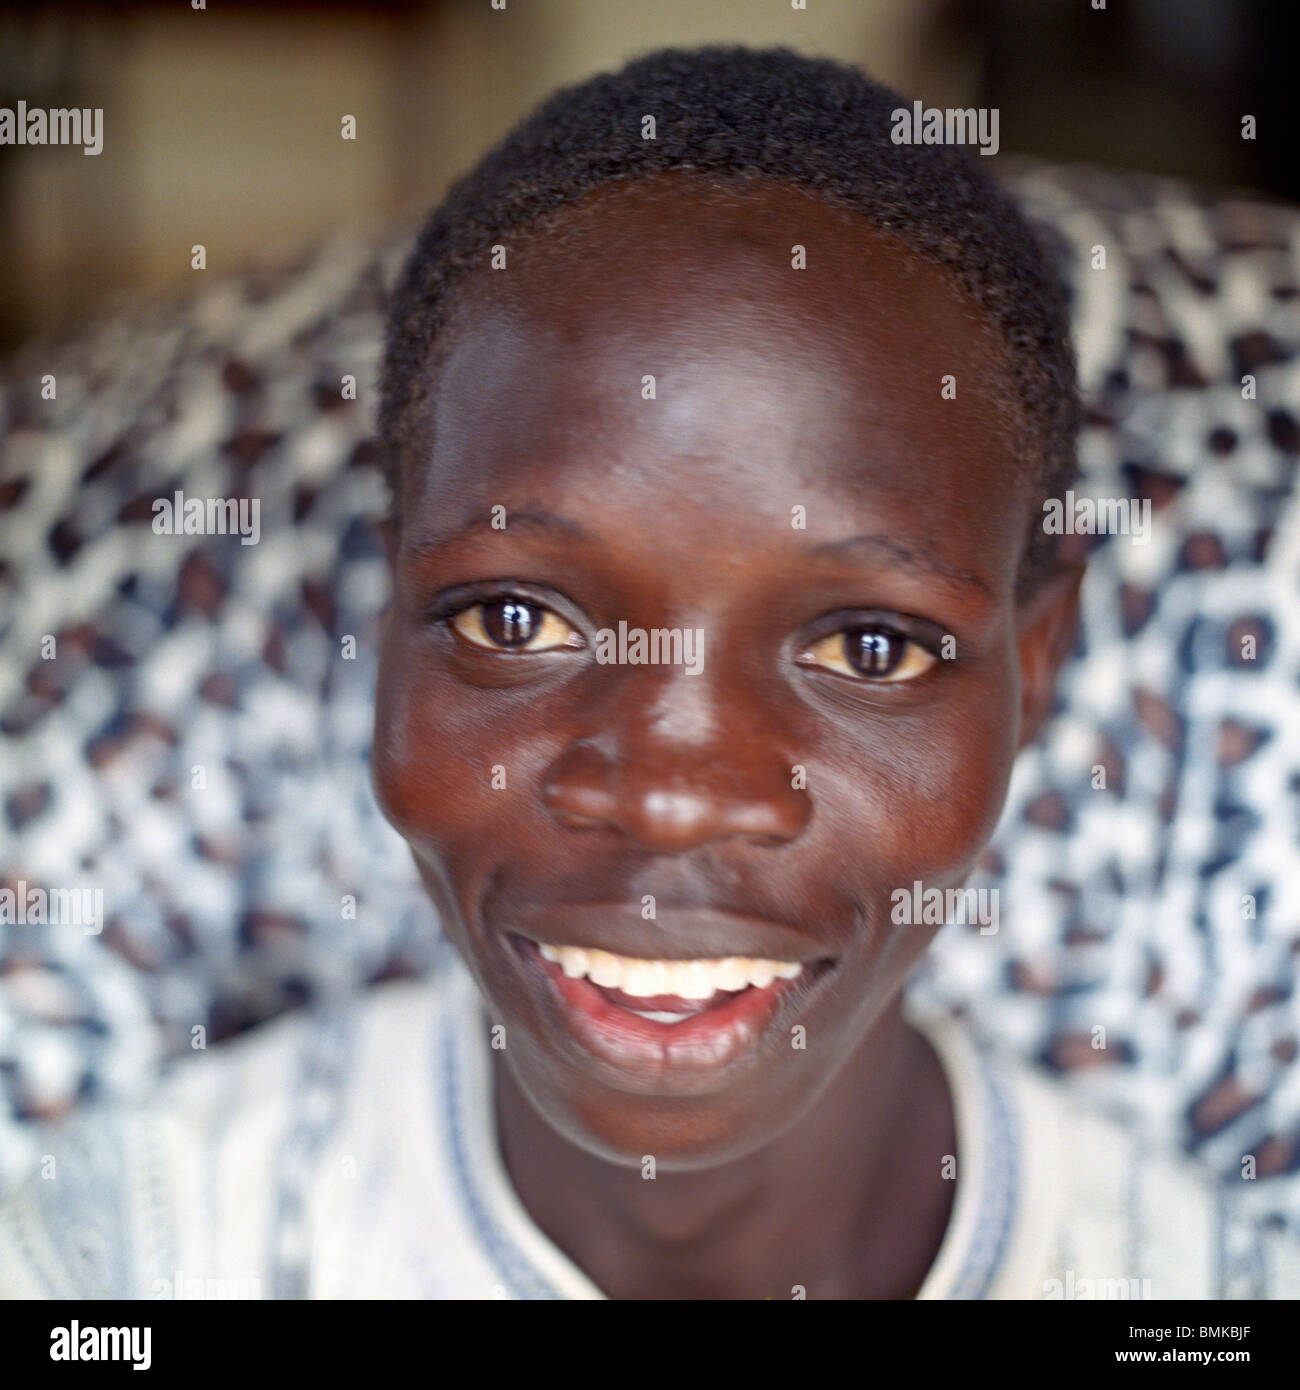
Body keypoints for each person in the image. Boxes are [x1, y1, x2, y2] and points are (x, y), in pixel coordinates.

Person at [2, 45, 1295, 1300]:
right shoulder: (115, 1254)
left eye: (868, 646)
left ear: (1036, 662)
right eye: (515, 620)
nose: (674, 797)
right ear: (390, 607)